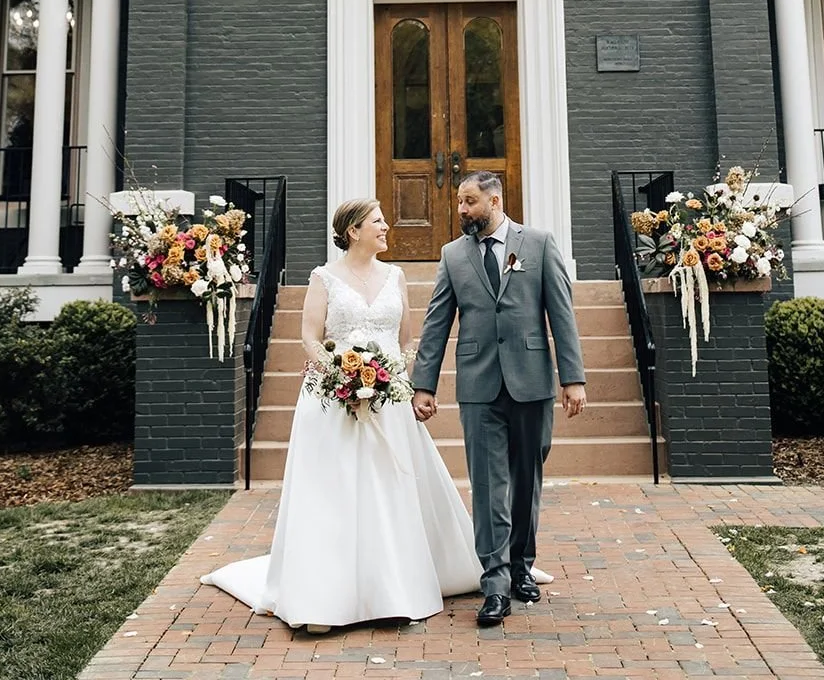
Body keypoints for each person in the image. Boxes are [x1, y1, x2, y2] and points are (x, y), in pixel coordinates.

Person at [201, 199, 482, 631]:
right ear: (353, 230)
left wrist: (391, 378)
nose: (387, 226)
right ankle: (322, 601)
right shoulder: (324, 278)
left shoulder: (397, 276)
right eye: (377, 221)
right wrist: (344, 377)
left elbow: (407, 341)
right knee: (334, 495)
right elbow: (310, 338)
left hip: (387, 401)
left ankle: (391, 590)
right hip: (333, 400)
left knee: (388, 493)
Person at [411, 171, 586, 628]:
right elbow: (435, 325)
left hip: (532, 382)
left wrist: (573, 378)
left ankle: (522, 567)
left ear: (494, 199)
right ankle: (494, 583)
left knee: (527, 477)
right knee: (488, 485)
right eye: (459, 203)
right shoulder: (452, 256)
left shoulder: (540, 244)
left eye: (469, 201)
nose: (462, 210)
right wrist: (423, 385)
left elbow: (561, 315)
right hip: (478, 385)